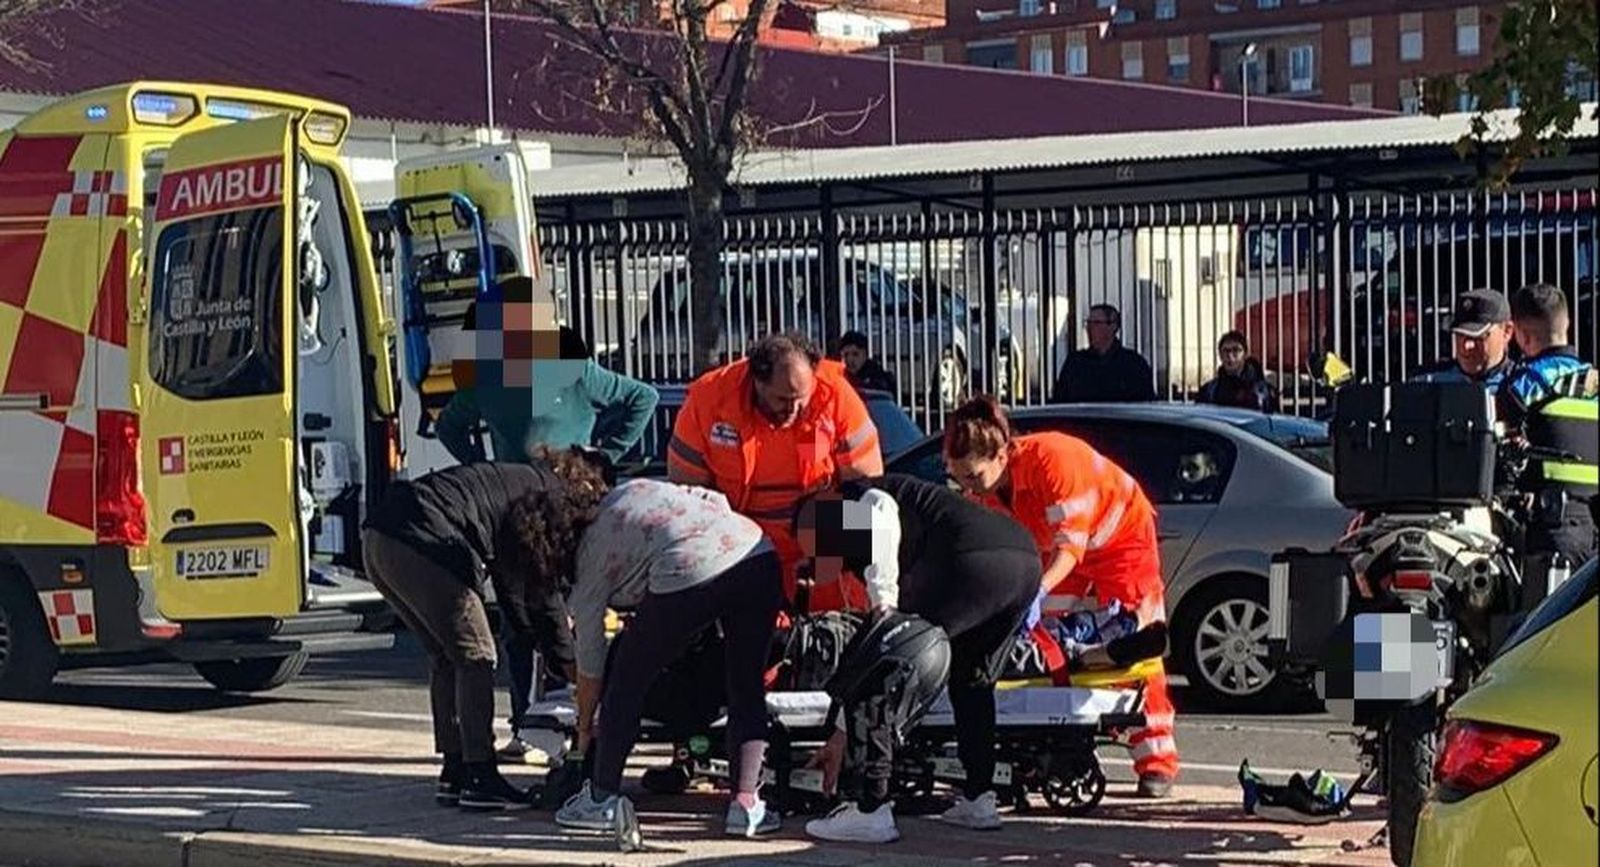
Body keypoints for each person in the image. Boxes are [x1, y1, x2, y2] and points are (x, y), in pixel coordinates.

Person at [435, 276, 660, 763]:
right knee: (524, 619)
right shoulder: (489, 375)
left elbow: (642, 398)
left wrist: (599, 459)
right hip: (517, 510)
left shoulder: (568, 368)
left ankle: (568, 717)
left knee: (566, 613)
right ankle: (530, 720)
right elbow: (449, 423)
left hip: (565, 506)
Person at [942, 396, 1180, 798]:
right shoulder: (985, 489)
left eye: (974, 476)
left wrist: (1036, 591)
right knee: (1047, 648)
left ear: (1002, 454)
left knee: (1139, 643)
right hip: (1054, 553)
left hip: (1120, 539)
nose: (968, 487)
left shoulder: (1053, 460)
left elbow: (1072, 547)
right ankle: (1056, 742)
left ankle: (1156, 759)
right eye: (959, 477)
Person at [358, 450, 609, 811]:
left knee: (448, 657)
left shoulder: (517, 483)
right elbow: (545, 593)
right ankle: (481, 777)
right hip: (424, 537)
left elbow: (515, 589)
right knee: (476, 656)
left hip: (379, 539)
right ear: (584, 489)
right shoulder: (549, 496)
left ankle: (455, 769)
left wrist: (544, 648)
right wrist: (573, 667)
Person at [795, 475, 1041, 843]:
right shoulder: (903, 510)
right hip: (1022, 562)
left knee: (880, 665)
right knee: (972, 678)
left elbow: (881, 510)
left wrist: (883, 604)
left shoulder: (861, 495)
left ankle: (870, 809)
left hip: (967, 558)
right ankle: (979, 798)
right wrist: (840, 738)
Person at [550, 478, 785, 842]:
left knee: (627, 679)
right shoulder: (636, 488)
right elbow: (714, 498)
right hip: (756, 552)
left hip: (688, 567)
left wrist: (585, 725)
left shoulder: (587, 555)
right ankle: (746, 804)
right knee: (746, 686)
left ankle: (601, 799)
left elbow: (591, 661)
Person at [667, 332, 885, 612]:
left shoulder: (835, 397)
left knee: (839, 636)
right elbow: (690, 501)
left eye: (801, 399)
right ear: (758, 382)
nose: (793, 409)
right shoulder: (709, 402)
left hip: (822, 553)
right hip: (739, 552)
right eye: (783, 399)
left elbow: (865, 492)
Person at [1498, 284, 1597, 605]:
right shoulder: (1593, 382)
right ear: (1566, 325)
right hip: (1594, 530)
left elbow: (1494, 435)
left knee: (1539, 633)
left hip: (1554, 529)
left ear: (1522, 336)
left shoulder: (1529, 383)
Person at [1410, 289, 1515, 391]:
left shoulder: (1523, 387)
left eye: (1478, 336)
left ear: (1507, 331)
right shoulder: (1426, 382)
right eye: (1460, 335)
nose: (1467, 346)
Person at [1051, 304, 1157, 403]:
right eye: (1088, 323)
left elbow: (1145, 403)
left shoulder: (1134, 365)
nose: (1089, 328)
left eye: (1096, 323)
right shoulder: (1075, 363)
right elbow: (1060, 401)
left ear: (1113, 326)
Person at [1197, 331, 1279, 412]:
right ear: (1220, 356)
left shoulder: (1263, 391)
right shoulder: (1209, 391)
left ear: (1245, 354)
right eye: (1225, 351)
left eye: (1236, 350)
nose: (1230, 356)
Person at [837, 330, 898, 395]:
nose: (849, 359)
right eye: (846, 355)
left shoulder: (880, 379)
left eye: (855, 354)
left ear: (865, 354)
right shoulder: (841, 377)